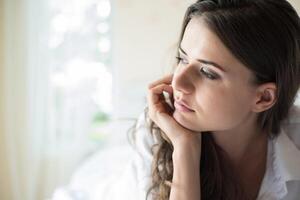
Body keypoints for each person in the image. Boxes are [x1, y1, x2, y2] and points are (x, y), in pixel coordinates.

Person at [129, 0, 300, 200]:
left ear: (264, 97)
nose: (178, 82)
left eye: (208, 72)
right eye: (183, 59)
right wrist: (185, 149)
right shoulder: (156, 133)